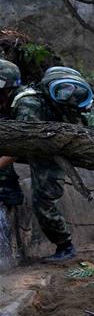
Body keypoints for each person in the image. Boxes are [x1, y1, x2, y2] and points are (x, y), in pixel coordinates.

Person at [0, 66, 94, 261]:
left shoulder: (27, 104)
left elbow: (22, 145)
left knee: (43, 201)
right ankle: (9, 189)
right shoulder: (14, 99)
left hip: (50, 148)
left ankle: (65, 246)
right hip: (37, 143)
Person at [0, 59, 24, 207]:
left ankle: (8, 190)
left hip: (45, 150)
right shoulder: (5, 96)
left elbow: (23, 145)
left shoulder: (26, 103)